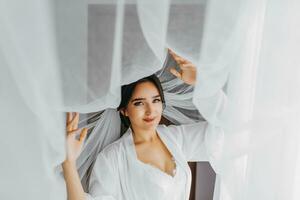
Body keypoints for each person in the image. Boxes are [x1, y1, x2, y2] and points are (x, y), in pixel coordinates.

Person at [62, 49, 217, 200]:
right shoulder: (112, 158)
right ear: (124, 110)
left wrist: (202, 82)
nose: (150, 110)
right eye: (139, 103)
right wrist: (68, 163)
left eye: (155, 100)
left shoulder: (176, 138)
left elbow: (229, 133)